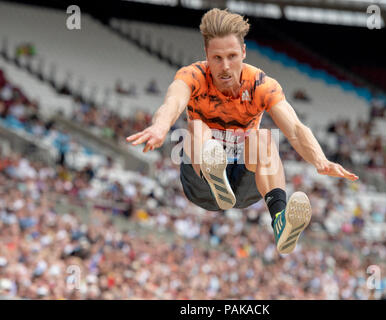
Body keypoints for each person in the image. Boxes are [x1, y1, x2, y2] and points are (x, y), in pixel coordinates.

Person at [126, 8, 358, 254]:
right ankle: (214, 175)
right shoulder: (192, 76)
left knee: (263, 137)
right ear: (206, 54)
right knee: (195, 126)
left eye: (232, 56)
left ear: (244, 52)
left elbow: (295, 129)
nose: (225, 67)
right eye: (217, 58)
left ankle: (280, 220)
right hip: (200, 182)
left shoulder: (261, 85)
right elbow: (172, 102)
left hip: (243, 181)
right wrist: (161, 127)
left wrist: (320, 160)